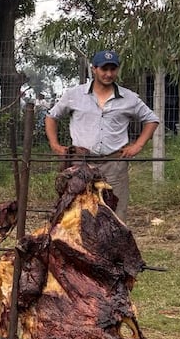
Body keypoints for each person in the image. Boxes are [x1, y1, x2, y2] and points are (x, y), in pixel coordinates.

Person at [44, 49, 160, 221]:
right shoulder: (74, 95)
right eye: (104, 69)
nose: (108, 74)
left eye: (112, 69)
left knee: (114, 214)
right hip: (80, 164)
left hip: (113, 164)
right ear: (94, 69)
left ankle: (113, 247)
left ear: (117, 70)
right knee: (76, 213)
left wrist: (138, 145)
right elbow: (51, 116)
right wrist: (54, 144)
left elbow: (151, 119)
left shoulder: (130, 98)